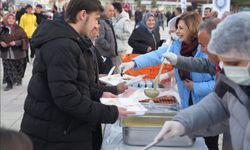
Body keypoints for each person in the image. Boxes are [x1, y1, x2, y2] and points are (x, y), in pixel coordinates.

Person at [20, 0, 133, 150]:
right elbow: (68, 98)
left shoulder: (72, 41)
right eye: (96, 20)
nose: (97, 26)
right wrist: (111, 113)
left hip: (63, 129)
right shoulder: (62, 45)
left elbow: (78, 84)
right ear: (83, 15)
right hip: (54, 134)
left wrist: (106, 93)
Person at [154, 12, 250, 150]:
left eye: (233, 63)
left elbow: (226, 119)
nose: (228, 70)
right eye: (225, 62)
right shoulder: (234, 72)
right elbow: (219, 102)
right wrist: (183, 123)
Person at [120, 12, 216, 149]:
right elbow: (157, 55)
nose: (177, 31)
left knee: (209, 143)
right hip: (187, 104)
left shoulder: (206, 49)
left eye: (181, 28)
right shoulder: (177, 45)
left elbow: (218, 83)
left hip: (208, 107)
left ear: (192, 29)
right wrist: (134, 63)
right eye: (177, 27)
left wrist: (196, 87)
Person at [0, 13, 28, 91]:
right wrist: (1, 42)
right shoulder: (3, 29)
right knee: (7, 67)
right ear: (5, 19)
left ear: (15, 20)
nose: (11, 20)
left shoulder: (19, 29)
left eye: (12, 18)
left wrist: (16, 43)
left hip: (17, 52)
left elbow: (24, 39)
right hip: (6, 52)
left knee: (18, 67)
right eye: (9, 18)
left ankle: (17, 79)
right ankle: (9, 83)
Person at [95, 4, 118, 74]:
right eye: (110, 11)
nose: (112, 13)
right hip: (105, 56)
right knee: (107, 76)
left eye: (113, 11)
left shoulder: (109, 21)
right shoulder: (101, 22)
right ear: (104, 11)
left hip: (110, 55)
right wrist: (109, 47)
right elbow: (99, 39)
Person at [112, 2, 132, 69]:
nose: (111, 11)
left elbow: (128, 35)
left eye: (112, 9)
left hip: (121, 50)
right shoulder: (115, 19)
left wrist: (116, 34)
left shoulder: (125, 20)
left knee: (119, 69)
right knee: (114, 69)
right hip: (114, 50)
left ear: (115, 9)